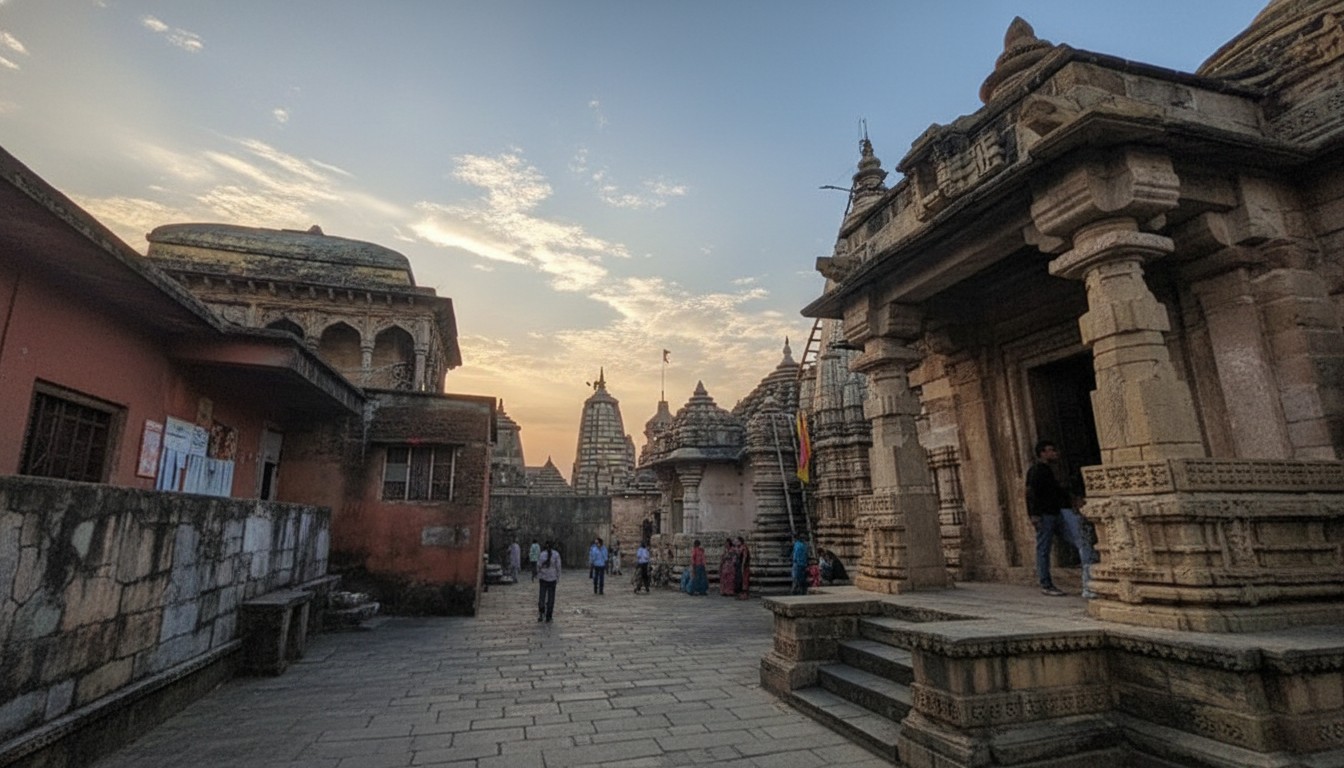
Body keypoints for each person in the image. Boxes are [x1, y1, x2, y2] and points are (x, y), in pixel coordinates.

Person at [1026, 439, 1098, 598]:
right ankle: (1046, 583)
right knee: (1043, 549)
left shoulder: (1049, 471)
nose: (1055, 453)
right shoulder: (1036, 471)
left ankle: (1089, 577)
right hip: (1045, 515)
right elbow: (1030, 493)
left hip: (1057, 513)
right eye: (1051, 450)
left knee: (1080, 541)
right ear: (1042, 453)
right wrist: (1034, 515)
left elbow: (1056, 491)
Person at [536, 541, 561, 622]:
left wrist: (539, 573)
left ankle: (541, 612)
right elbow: (558, 566)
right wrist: (558, 576)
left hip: (543, 578)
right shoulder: (556, 554)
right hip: (552, 578)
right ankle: (549, 615)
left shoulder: (542, 554)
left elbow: (538, 565)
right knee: (551, 598)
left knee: (542, 596)